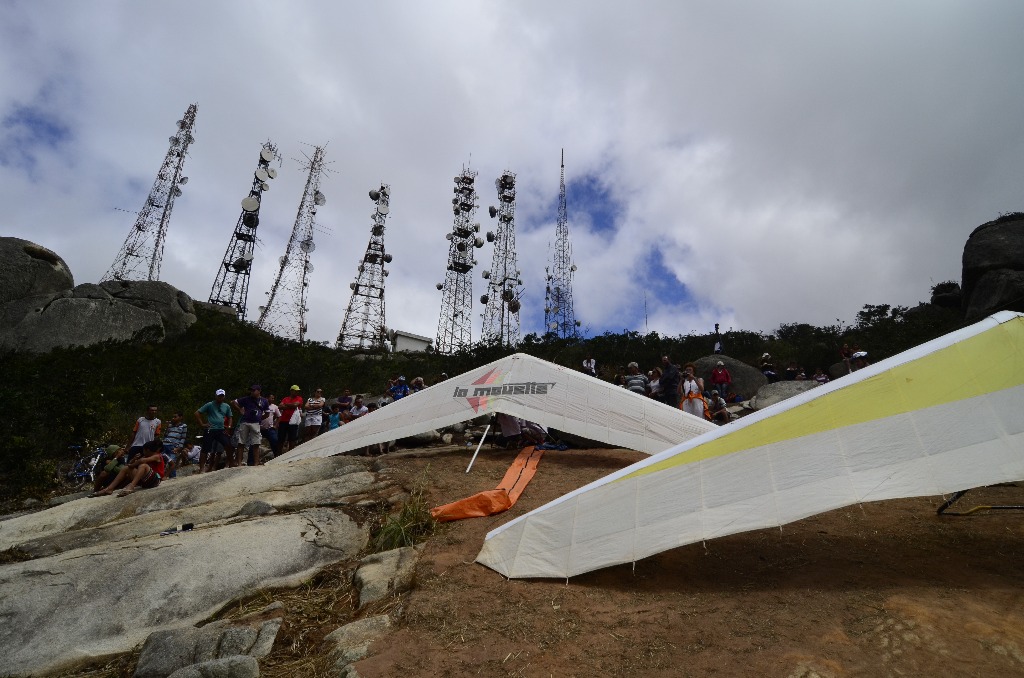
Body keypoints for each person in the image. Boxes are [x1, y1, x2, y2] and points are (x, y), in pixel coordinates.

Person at [94, 439, 165, 497]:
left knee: (143, 465)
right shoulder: (106, 459)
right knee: (126, 468)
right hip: (145, 481)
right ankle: (109, 489)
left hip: (155, 480)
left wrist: (132, 464)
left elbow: (141, 461)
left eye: (143, 450)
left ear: (148, 450)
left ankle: (132, 486)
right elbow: (128, 466)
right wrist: (133, 460)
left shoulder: (157, 456)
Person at [195, 389, 236, 471]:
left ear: (224, 396)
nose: (220, 397)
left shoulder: (226, 406)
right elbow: (197, 413)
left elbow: (230, 417)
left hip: (221, 429)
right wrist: (202, 424)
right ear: (216, 396)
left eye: (222, 396)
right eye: (219, 396)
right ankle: (202, 468)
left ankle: (232, 464)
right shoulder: (210, 404)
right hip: (210, 429)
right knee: (205, 448)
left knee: (228, 445)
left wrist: (229, 426)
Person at [233, 384, 269, 466]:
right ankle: (239, 463)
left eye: (254, 390)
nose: (252, 392)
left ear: (259, 391)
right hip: (245, 422)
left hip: (256, 423)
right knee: (241, 442)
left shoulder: (264, 401)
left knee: (256, 443)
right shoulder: (246, 399)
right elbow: (234, 402)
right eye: (251, 390)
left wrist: (259, 418)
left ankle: (256, 463)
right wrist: (240, 409)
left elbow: (267, 413)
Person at [278, 385, 304, 454]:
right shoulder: (285, 398)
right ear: (291, 391)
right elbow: (280, 406)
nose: (297, 392)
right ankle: (278, 454)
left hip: (293, 421)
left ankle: (290, 454)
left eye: (298, 391)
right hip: (283, 420)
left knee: (292, 439)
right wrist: (291, 405)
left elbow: (295, 405)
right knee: (281, 438)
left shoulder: (299, 398)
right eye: (296, 391)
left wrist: (286, 405)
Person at [162, 412, 188, 478]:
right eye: (173, 417)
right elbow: (165, 435)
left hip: (173, 445)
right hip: (165, 444)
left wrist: (179, 447)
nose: (173, 418)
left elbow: (183, 438)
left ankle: (172, 477)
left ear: (180, 417)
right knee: (163, 461)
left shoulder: (184, 426)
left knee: (172, 461)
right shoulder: (170, 425)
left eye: (175, 417)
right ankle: (161, 475)